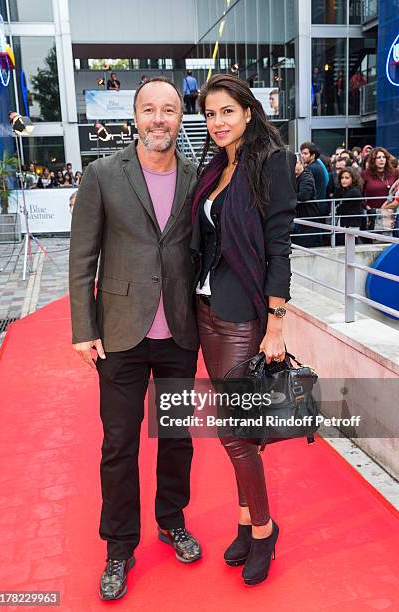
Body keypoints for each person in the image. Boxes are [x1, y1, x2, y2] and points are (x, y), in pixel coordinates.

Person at [69, 76, 201, 602]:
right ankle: (119, 548)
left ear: (178, 117)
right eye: (150, 109)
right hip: (121, 334)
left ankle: (172, 520)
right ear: (136, 115)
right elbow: (83, 259)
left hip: (178, 335)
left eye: (169, 110)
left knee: (176, 439)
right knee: (118, 446)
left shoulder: (197, 177)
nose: (160, 119)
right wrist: (84, 329)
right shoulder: (103, 174)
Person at [191, 74, 296, 587]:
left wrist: (275, 325)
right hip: (207, 310)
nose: (217, 123)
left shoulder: (270, 161)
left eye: (227, 112)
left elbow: (280, 246)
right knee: (236, 426)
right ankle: (242, 520)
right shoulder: (217, 165)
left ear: (248, 112)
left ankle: (264, 529)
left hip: (241, 316)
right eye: (210, 114)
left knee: (234, 433)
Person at [361, 147, 399, 231]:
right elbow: (360, 194)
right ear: (373, 160)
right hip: (373, 214)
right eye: (378, 157)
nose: (382, 160)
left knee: (390, 240)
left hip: (391, 213)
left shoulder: (394, 172)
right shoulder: (365, 174)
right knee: (375, 240)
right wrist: (367, 207)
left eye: (384, 157)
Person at [294, 152, 320, 247]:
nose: (292, 166)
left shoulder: (307, 176)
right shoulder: (292, 177)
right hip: (298, 220)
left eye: (295, 163)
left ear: (302, 163)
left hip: (308, 220)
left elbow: (304, 195)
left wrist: (287, 197)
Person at [334, 167, 364, 245]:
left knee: (351, 245)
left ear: (353, 179)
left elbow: (340, 209)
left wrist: (338, 207)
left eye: (347, 178)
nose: (343, 180)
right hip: (344, 224)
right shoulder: (344, 190)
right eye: (342, 178)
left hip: (351, 224)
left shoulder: (354, 192)